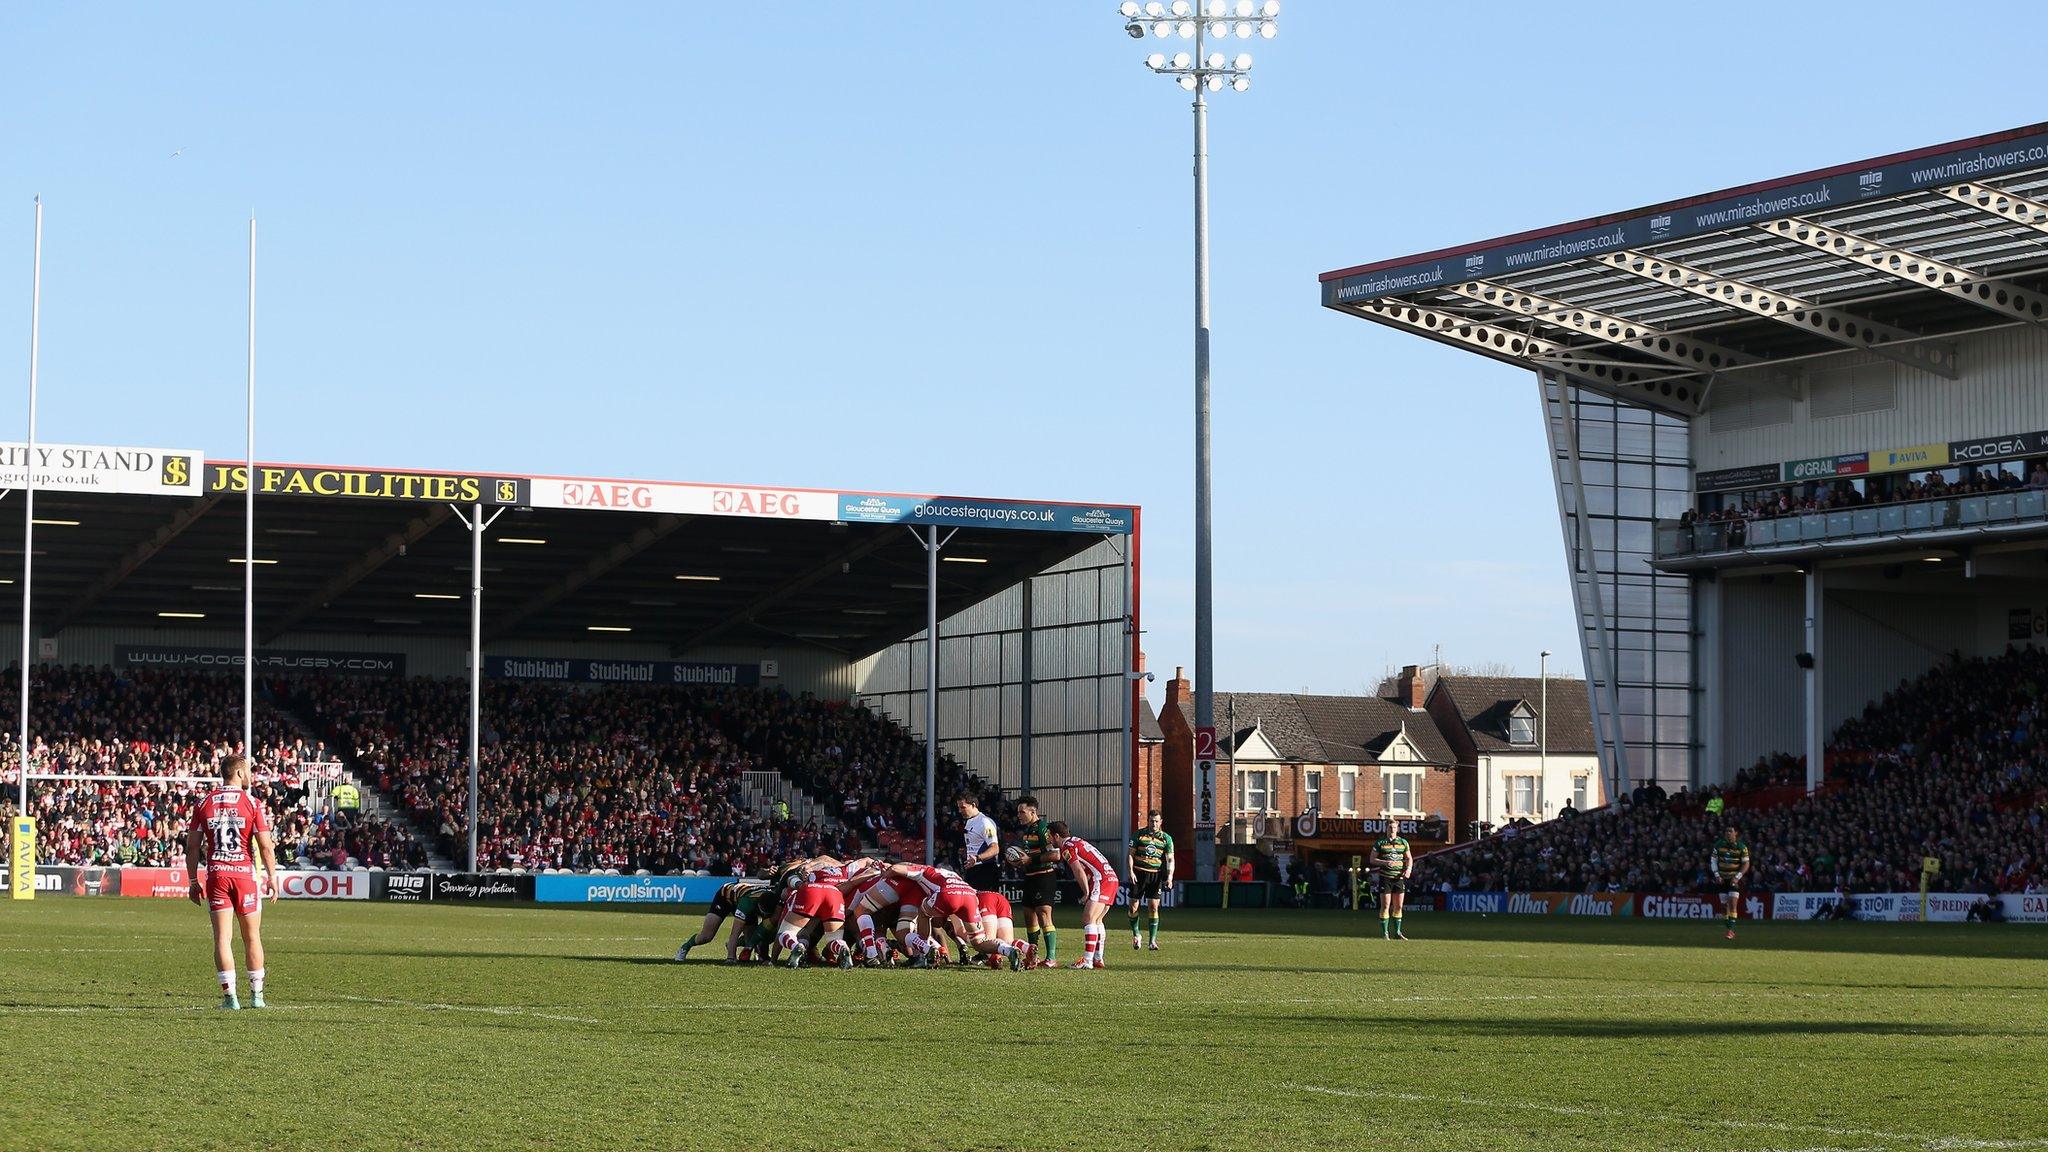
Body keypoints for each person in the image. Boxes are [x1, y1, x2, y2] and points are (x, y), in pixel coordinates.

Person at [183, 755, 280, 1010]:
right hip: (245, 875)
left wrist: (193, 881)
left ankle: (230, 998)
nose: (249, 775)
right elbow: (266, 846)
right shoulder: (252, 803)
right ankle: (257, 996)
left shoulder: (204, 802)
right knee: (252, 937)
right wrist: (272, 877)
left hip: (217, 875)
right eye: (246, 771)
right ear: (237, 772)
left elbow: (192, 847)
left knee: (222, 939)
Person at [1048, 821, 1118, 969]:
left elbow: (1077, 870)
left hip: (1101, 880)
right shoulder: (1076, 841)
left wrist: (1086, 892)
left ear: (1056, 836)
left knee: (1088, 918)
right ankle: (1098, 959)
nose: (1048, 839)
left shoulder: (1067, 847)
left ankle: (1087, 960)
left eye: (1049, 836)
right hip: (1110, 877)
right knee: (1097, 920)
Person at [674, 877, 771, 963]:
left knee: (751, 939)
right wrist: (731, 958)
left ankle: (746, 949)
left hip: (742, 897)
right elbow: (735, 932)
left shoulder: (773, 899)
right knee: (706, 936)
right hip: (725, 897)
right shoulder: (747, 903)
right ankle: (685, 947)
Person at [1014, 796, 1059, 968]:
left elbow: (1055, 855)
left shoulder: (1042, 829)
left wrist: (1029, 860)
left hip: (1044, 876)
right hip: (1030, 877)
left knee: (1043, 914)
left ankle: (1051, 958)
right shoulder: (1027, 831)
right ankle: (1033, 955)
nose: (1019, 815)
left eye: (1022, 812)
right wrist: (1019, 861)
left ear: (1033, 812)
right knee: (1028, 915)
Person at [1126, 809, 1175, 951]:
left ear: (1161, 822)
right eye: (1151, 821)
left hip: (1156, 875)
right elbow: (1130, 854)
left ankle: (1152, 941)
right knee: (1133, 906)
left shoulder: (1166, 838)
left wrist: (1170, 877)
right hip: (1139, 874)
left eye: (1156, 821)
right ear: (1148, 821)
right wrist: (1130, 871)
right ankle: (1136, 934)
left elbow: (1170, 859)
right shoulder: (1138, 835)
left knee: (1153, 907)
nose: (1153, 824)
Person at [1370, 821, 1412, 940]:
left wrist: (1408, 869)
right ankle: (1385, 933)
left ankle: (1398, 932)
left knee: (1398, 906)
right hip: (1385, 877)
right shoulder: (1380, 843)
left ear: (1397, 829)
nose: (1392, 829)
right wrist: (1385, 862)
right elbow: (1372, 859)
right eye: (1390, 827)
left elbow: (1409, 858)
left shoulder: (1403, 842)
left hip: (1399, 878)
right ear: (1386, 829)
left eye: (1394, 827)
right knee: (1386, 905)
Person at [1711, 825, 1750, 941]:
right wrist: (1717, 875)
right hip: (1722, 880)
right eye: (1726, 831)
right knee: (1724, 907)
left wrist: (1737, 877)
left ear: (1736, 833)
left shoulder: (1741, 847)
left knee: (1733, 904)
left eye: (1730, 831)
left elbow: (1746, 864)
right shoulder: (1718, 845)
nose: (1728, 833)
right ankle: (1729, 928)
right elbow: (1713, 861)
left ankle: (1730, 931)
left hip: (1733, 880)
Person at [957, 796, 1001, 895]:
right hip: (973, 869)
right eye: (959, 808)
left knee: (985, 906)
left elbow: (995, 848)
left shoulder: (984, 822)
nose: (960, 811)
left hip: (985, 869)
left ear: (973, 805)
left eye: (963, 807)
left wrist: (977, 858)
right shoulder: (969, 821)